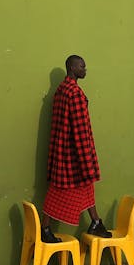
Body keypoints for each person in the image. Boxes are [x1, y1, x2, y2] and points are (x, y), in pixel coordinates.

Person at [40, 55, 113, 243]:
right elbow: (80, 131)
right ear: (73, 68)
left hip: (60, 150)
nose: (85, 69)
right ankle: (44, 228)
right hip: (72, 154)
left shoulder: (60, 91)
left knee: (87, 188)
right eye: (82, 66)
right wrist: (86, 161)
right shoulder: (75, 94)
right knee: (58, 192)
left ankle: (96, 221)